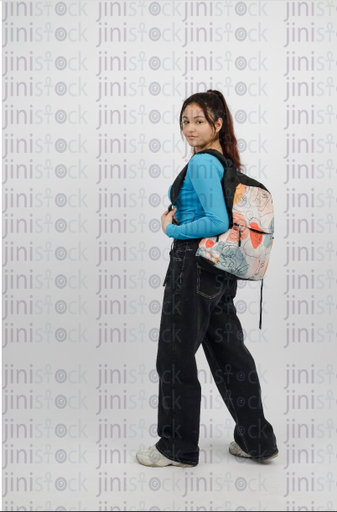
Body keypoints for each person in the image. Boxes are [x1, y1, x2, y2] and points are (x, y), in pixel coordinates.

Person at [136, 90, 279, 468]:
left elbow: (216, 222)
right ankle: (257, 441)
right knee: (232, 356)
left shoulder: (202, 164)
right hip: (217, 270)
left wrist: (173, 227)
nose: (189, 128)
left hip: (192, 266)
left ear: (218, 124)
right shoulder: (222, 162)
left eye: (199, 120)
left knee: (173, 357)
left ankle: (176, 447)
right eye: (185, 120)